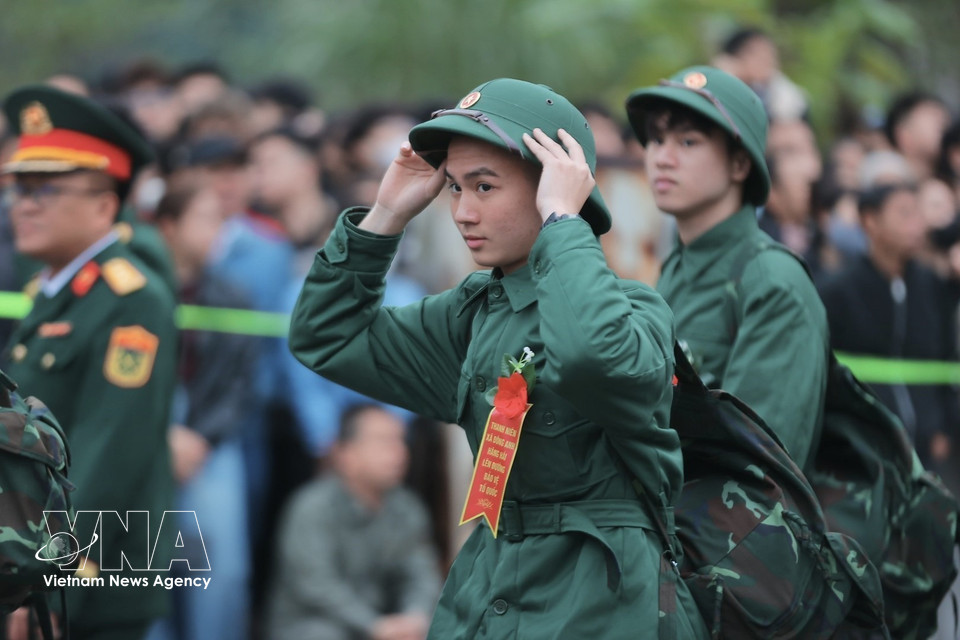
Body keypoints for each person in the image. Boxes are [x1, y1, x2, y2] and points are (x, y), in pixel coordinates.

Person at [289, 77, 707, 639]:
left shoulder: (634, 309)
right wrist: (385, 215)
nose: (462, 212)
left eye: (484, 187)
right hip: (490, 587)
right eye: (455, 189)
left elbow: (592, 358)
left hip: (603, 599)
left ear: (552, 187)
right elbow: (326, 335)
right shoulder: (474, 312)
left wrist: (562, 221)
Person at [1, 85, 176, 640]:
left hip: (89, 577)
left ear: (104, 203)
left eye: (43, 189)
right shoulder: (54, 289)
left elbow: (106, 457)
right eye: (17, 188)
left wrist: (42, 580)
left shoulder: (131, 298)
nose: (22, 204)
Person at [625, 66, 829, 469]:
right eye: (656, 139)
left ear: (739, 164)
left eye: (687, 141)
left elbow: (759, 468)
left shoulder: (771, 281)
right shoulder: (679, 267)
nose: (662, 158)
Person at [150, 177, 257, 640]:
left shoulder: (232, 296)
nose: (219, 230)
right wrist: (160, 435)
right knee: (146, 570)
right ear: (169, 226)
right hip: (144, 444)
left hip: (209, 446)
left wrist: (199, 439)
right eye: (206, 218)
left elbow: (239, 384)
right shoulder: (135, 292)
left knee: (222, 572)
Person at [266, 403, 441, 640]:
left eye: (400, 440)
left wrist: (414, 617)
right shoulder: (311, 508)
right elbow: (317, 587)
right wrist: (375, 626)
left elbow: (420, 574)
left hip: (385, 627)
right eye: (383, 441)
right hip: (317, 625)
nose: (398, 452)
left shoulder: (407, 508)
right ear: (346, 454)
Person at [818, 181, 960, 471]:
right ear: (870, 221)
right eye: (904, 214)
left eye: (918, 214)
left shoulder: (935, 287)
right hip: (863, 454)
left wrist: (944, 427)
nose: (916, 225)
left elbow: (948, 362)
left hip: (930, 453)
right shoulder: (836, 291)